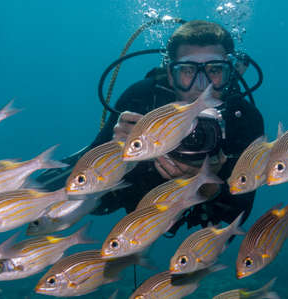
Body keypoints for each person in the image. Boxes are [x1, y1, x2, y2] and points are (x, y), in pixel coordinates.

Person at [37, 20, 265, 236]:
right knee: (43, 194)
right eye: (187, 70)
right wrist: (117, 154)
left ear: (229, 73)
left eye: (215, 70)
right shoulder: (142, 99)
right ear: (170, 74)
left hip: (200, 211)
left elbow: (236, 217)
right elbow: (94, 200)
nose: (201, 84)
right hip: (136, 192)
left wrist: (204, 183)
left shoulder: (243, 118)